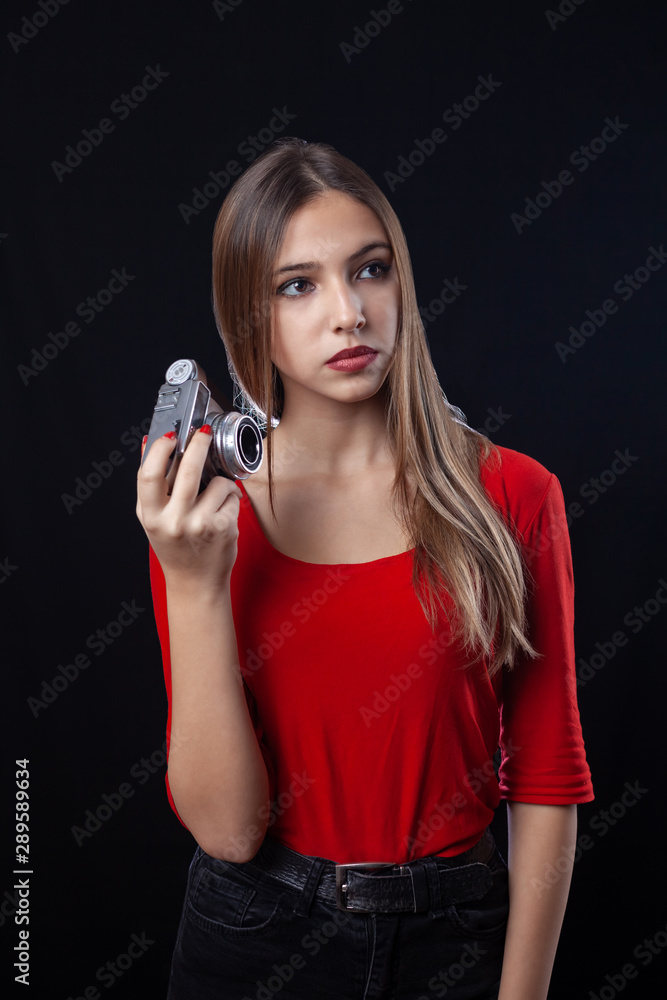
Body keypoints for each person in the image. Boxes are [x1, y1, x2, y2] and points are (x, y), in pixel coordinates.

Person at [136, 137, 594, 1000]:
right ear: (249, 316)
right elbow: (228, 831)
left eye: (370, 270)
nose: (347, 311)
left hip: (456, 933)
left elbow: (545, 777)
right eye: (297, 284)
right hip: (253, 936)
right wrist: (194, 582)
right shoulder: (202, 518)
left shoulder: (513, 493)